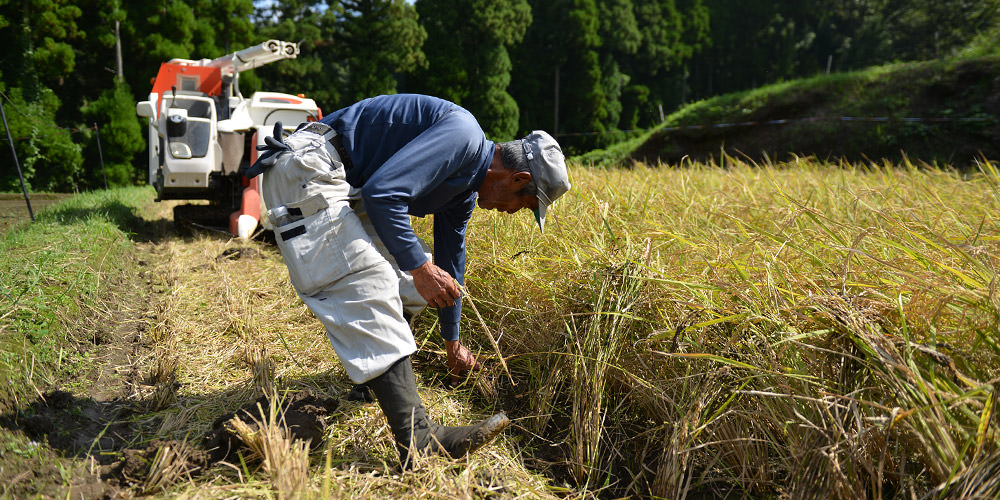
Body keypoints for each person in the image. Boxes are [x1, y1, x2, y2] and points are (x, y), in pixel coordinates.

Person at [245, 93, 570, 468]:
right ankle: (418, 439)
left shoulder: (464, 189)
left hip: (344, 181)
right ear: (518, 178)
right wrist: (420, 270)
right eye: (524, 205)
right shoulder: (463, 135)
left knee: (411, 280)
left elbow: (450, 261)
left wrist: (452, 342)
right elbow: (383, 195)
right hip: (309, 170)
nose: (511, 212)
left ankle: (372, 385)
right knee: (371, 283)